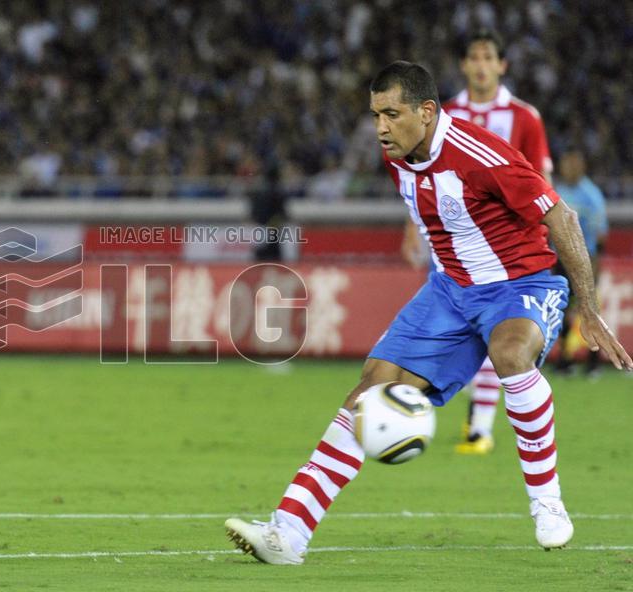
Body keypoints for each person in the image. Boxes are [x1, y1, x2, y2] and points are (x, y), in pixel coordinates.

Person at [225, 61, 632, 565]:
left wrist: (587, 307)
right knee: (368, 391)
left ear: (427, 111)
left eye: (391, 114)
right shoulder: (398, 153)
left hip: (520, 282)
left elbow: (561, 217)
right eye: (375, 115)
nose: (380, 127)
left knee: (509, 354)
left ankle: (546, 501)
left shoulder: (480, 153)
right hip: (449, 291)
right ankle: (288, 533)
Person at [400, 30, 555, 455]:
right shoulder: (442, 114)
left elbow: (540, 182)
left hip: (505, 250)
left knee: (498, 336)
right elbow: (418, 176)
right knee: (462, 331)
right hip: (449, 244)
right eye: (474, 57)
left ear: (501, 65)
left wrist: (545, 231)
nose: (482, 64)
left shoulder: (524, 117)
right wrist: (412, 227)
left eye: (489, 57)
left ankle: (480, 426)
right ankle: (464, 417)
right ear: (465, 66)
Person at [552, 149, 608, 376]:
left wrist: (594, 264)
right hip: (562, 259)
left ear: (581, 167)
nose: (567, 170)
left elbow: (601, 234)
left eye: (571, 165)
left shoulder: (591, 195)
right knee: (562, 309)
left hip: (585, 260)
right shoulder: (559, 190)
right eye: (565, 165)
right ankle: (565, 359)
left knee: (588, 308)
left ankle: (594, 360)